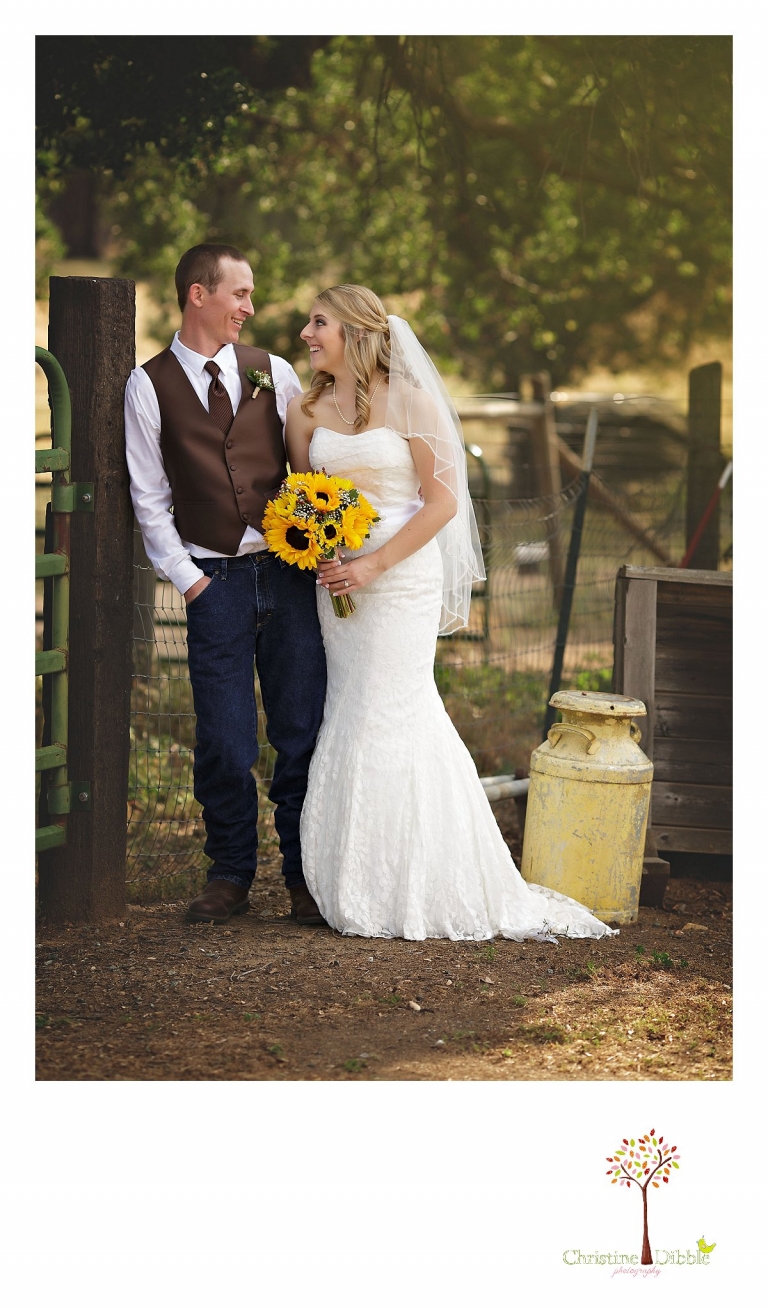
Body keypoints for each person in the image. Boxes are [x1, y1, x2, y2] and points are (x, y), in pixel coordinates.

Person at [286, 284, 616, 941]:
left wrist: (375, 564)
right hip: (338, 583)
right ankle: (357, 878)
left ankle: (431, 877)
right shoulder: (305, 408)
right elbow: (303, 497)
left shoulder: (411, 401)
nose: (305, 333)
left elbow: (440, 503)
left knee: (395, 707)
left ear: (354, 330)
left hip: (400, 578)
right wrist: (323, 547)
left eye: (318, 322)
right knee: (348, 707)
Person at [124, 244, 327, 926]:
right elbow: (149, 499)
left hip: (288, 577)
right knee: (225, 739)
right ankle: (232, 872)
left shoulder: (274, 372)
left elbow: (308, 471)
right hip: (215, 581)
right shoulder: (147, 385)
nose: (249, 307)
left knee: (301, 729)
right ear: (197, 295)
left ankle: (304, 874)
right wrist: (189, 583)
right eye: (239, 294)